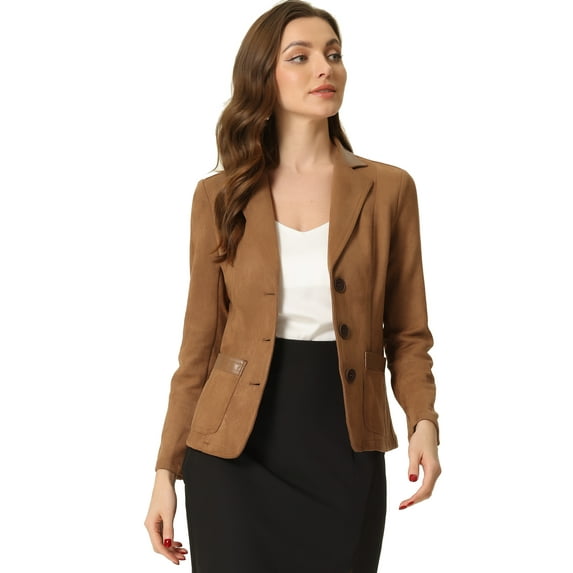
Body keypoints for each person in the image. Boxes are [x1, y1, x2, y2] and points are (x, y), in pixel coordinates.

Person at [144, 1, 441, 571]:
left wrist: (422, 421)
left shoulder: (389, 190)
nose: (325, 68)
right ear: (263, 75)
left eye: (334, 54)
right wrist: (165, 471)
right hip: (232, 454)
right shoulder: (220, 196)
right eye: (300, 57)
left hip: (344, 444)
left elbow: (407, 333)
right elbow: (199, 348)